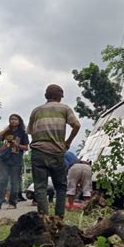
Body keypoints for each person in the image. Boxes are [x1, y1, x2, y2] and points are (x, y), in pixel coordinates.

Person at [27, 84, 81, 219]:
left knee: (40, 187)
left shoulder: (36, 111)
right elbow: (77, 125)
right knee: (61, 186)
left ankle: (43, 219)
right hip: (57, 152)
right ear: (59, 96)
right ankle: (59, 218)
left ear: (46, 96)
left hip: (38, 152)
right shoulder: (65, 109)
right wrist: (67, 142)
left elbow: (30, 132)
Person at [0, 114, 29, 210]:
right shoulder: (7, 131)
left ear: (19, 121)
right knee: (2, 180)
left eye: (15, 119)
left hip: (16, 159)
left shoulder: (23, 133)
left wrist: (18, 145)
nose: (13, 121)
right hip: (5, 158)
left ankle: (12, 203)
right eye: (11, 119)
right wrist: (5, 130)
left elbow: (26, 147)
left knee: (14, 182)